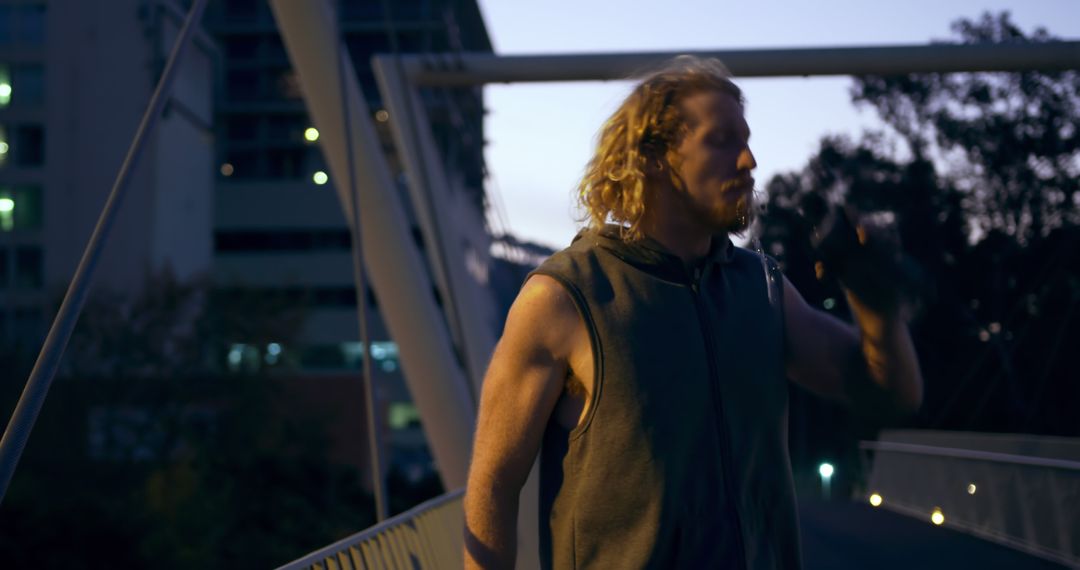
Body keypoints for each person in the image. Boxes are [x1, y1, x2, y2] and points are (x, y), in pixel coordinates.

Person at [463, 56, 923, 569]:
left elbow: (890, 395)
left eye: (746, 140)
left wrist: (876, 304)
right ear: (654, 157)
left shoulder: (764, 290)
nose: (749, 160)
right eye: (722, 140)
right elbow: (493, 485)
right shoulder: (566, 295)